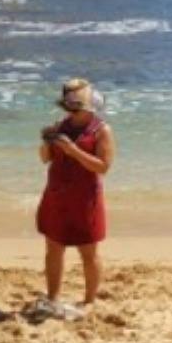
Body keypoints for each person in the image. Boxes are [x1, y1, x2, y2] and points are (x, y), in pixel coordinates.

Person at [29, 78, 115, 321]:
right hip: (57, 195)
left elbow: (103, 167)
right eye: (70, 107)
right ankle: (53, 297)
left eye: (77, 107)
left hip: (85, 199)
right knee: (53, 250)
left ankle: (89, 300)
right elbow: (45, 158)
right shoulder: (61, 126)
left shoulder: (102, 130)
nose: (72, 112)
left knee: (88, 252)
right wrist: (46, 142)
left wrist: (74, 151)